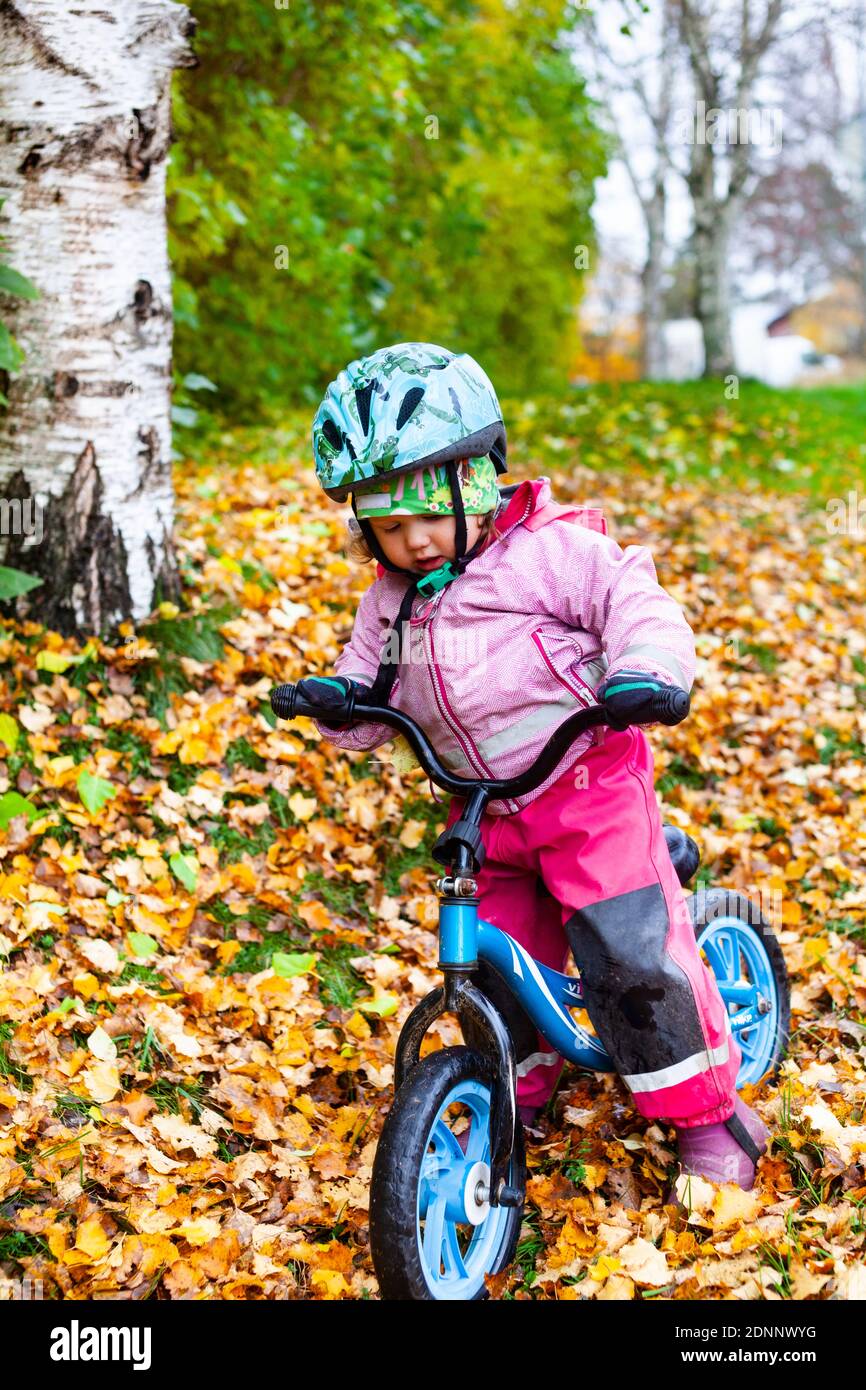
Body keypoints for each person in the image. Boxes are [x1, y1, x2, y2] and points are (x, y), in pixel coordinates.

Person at [302, 340, 770, 1193]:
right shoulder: (394, 598)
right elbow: (372, 678)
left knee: (631, 959)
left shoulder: (548, 554)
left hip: (587, 785)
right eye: (386, 525)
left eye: (421, 517)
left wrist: (647, 668)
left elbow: (632, 599)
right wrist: (341, 700)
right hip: (485, 810)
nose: (407, 543)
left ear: (473, 482)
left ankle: (707, 1112)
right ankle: (511, 1072)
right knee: (497, 956)